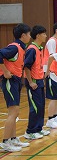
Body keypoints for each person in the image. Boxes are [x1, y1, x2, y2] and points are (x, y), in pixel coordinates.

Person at [0, 24, 31, 152]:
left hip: (16, 81)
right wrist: (5, 71)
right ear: (23, 35)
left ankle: (12, 139)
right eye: (29, 34)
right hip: (10, 81)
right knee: (14, 112)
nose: (30, 36)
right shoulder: (14, 47)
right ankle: (5, 143)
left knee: (14, 112)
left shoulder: (21, 48)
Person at [23, 25, 51, 140]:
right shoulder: (32, 49)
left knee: (41, 106)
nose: (45, 36)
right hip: (33, 82)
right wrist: (30, 82)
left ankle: (38, 128)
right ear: (38, 35)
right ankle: (30, 131)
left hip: (39, 81)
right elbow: (26, 67)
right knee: (34, 107)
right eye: (44, 34)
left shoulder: (39, 48)